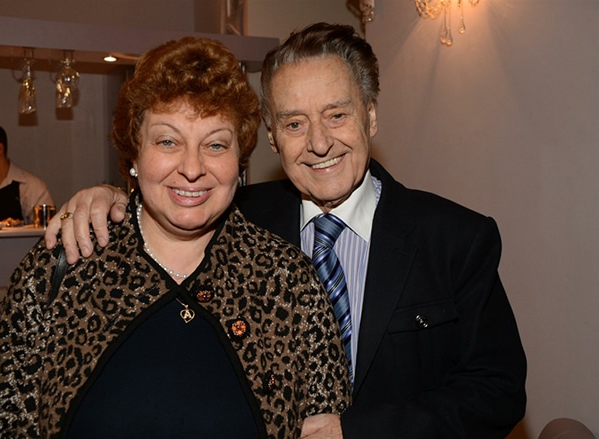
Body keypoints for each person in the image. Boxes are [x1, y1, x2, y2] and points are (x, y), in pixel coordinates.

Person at [46, 23, 527, 438]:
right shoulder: (237, 222)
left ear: (370, 116)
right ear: (272, 138)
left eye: (336, 115)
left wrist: (358, 431)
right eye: (295, 123)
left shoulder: (454, 240)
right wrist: (110, 198)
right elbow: (174, 198)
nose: (319, 143)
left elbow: (498, 392)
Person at [0, 37, 351, 438]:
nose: (192, 168)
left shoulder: (286, 281)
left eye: (215, 144)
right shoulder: (65, 265)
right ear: (134, 153)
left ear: (239, 160)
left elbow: (325, 427)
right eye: (168, 141)